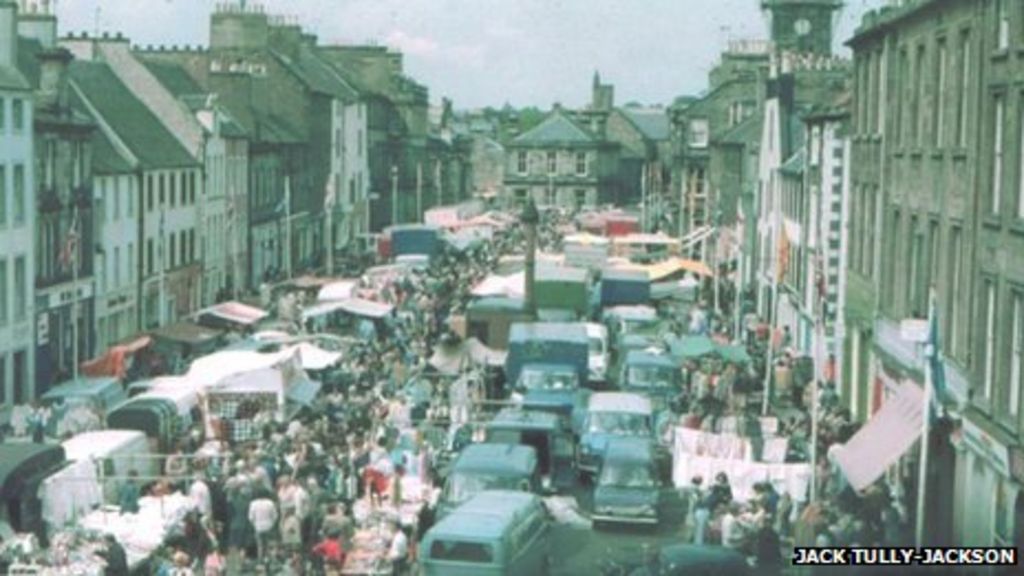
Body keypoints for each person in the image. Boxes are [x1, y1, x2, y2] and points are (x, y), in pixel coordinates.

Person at [248, 492, 278, 561]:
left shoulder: (253, 503)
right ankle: (270, 559)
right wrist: (272, 523)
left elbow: (251, 517)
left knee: (260, 545)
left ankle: (260, 560)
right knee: (269, 544)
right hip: (269, 526)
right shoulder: (270, 503)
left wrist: (254, 524)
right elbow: (275, 516)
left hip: (258, 526)